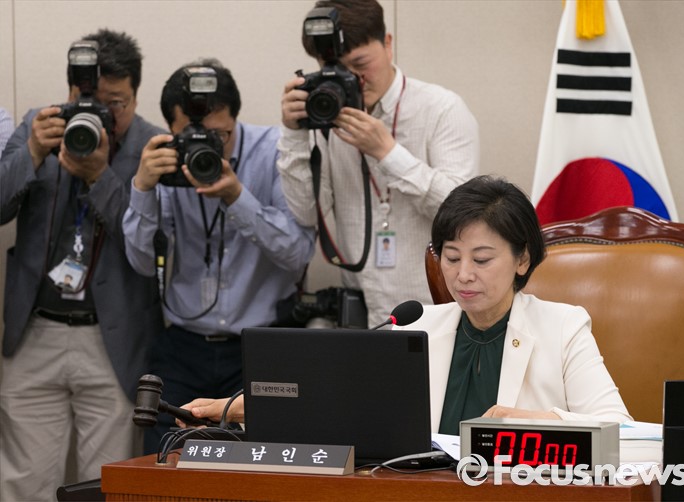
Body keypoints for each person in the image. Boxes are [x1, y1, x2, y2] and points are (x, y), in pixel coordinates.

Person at [179, 175, 632, 434]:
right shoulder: (416, 327)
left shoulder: (563, 327)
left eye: (481, 259)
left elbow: (622, 431)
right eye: (451, 258)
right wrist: (233, 408)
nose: (463, 274)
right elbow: (335, 403)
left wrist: (533, 422)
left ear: (523, 259)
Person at [0, 29, 164, 501]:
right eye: (88, 99)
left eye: (116, 103)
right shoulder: (40, 125)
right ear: (72, 90)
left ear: (134, 96)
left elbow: (150, 250)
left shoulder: (151, 145)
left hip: (113, 338)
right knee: (23, 482)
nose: (101, 113)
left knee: (108, 483)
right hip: (34, 332)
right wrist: (33, 153)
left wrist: (100, 177)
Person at [123, 59, 316, 454]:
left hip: (263, 345)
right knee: (163, 462)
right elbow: (143, 263)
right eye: (191, 136)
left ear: (234, 118)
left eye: (219, 135)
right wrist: (142, 188)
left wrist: (236, 197)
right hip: (183, 346)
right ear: (171, 129)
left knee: (256, 465)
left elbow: (298, 254)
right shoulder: (168, 159)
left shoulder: (273, 152)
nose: (206, 146)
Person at [278, 0, 479, 327]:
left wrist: (387, 153)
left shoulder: (442, 109)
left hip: (434, 313)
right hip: (360, 317)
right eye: (335, 68)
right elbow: (306, 213)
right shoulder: (323, 117)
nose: (353, 79)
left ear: (387, 43)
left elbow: (464, 214)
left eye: (360, 64)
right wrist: (293, 133)